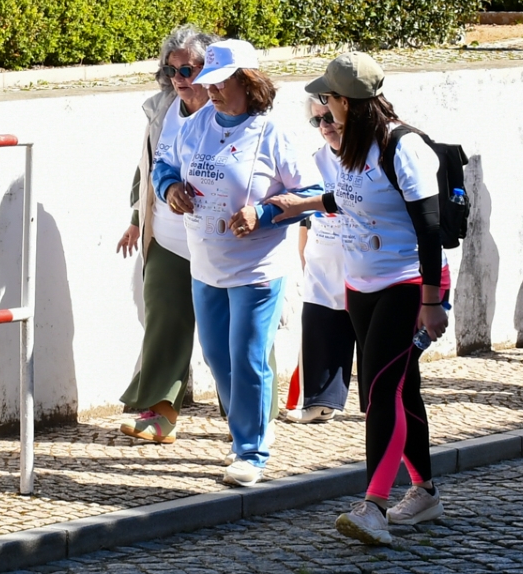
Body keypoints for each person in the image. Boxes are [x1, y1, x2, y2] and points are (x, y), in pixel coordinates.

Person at [270, 51, 447, 547]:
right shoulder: (351, 146)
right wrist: (301, 205)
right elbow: (346, 199)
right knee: (399, 389)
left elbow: (429, 229)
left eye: (327, 99)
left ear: (346, 100)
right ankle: (425, 491)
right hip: (360, 283)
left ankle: (373, 505)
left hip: (405, 284)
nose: (322, 108)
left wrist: (432, 304)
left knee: (379, 393)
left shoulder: (402, 146)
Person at [151, 38, 322, 487]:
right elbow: (162, 164)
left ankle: (251, 451)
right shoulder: (194, 125)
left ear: (249, 82)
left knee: (247, 356)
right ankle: (241, 435)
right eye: (207, 82)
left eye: (221, 82)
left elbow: (313, 196)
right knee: (217, 357)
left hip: (257, 268)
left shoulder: (274, 133)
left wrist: (262, 213)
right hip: (205, 263)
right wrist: (170, 189)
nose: (211, 90)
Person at [115, 24, 211, 444]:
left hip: (221, 239)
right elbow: (147, 167)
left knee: (230, 331)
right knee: (164, 316)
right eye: (172, 71)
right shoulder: (163, 109)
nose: (179, 79)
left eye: (188, 70)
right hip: (169, 235)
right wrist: (138, 217)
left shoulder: (234, 110)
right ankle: (158, 411)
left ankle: (250, 415)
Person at [285, 94, 355, 423]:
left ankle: (379, 404)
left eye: (328, 117)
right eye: (317, 120)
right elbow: (305, 212)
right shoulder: (315, 160)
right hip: (322, 255)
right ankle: (318, 402)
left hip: (362, 259)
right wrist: (303, 251)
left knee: (364, 332)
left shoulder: (368, 157)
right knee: (318, 326)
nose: (325, 126)